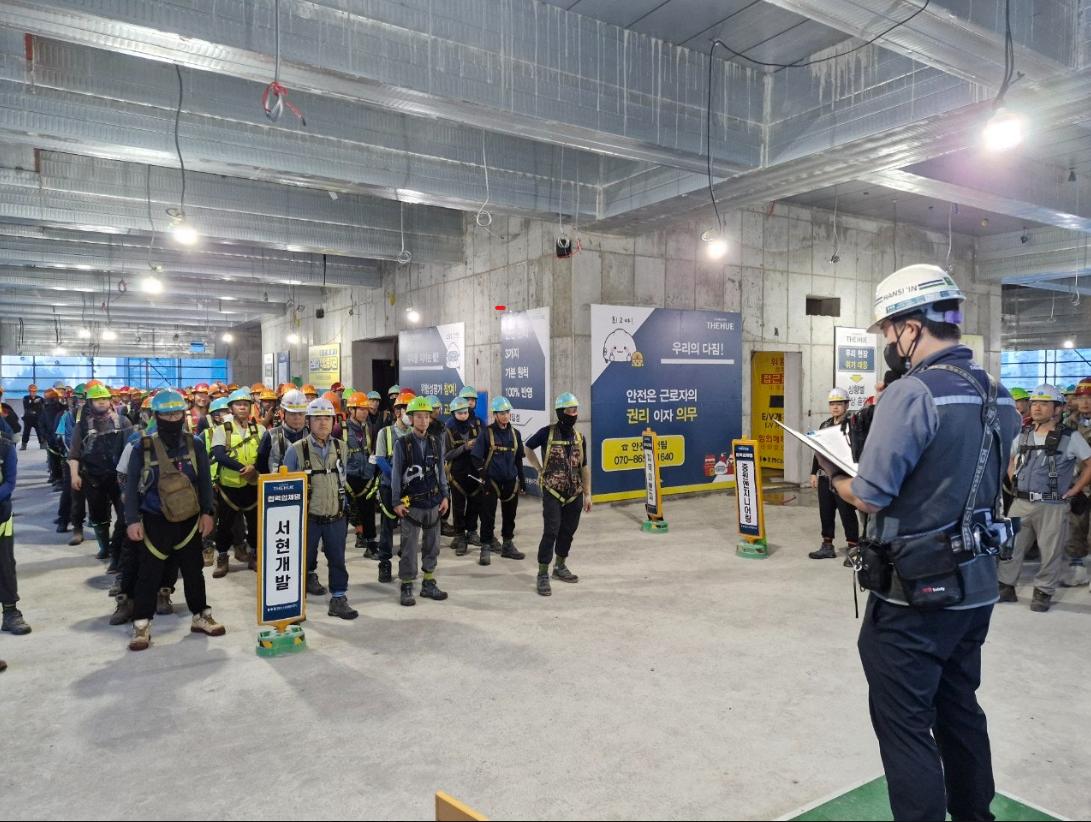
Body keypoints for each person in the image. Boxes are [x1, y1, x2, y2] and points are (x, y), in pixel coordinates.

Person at [821, 264, 1022, 822]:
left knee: (905, 726)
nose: (888, 342)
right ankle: (975, 816)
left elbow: (871, 495)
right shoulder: (1000, 394)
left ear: (911, 327)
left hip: (914, 594)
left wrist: (834, 477)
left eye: (889, 330)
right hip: (977, 586)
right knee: (959, 708)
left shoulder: (913, 392)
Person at [123, 391, 224, 651]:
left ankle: (200, 614)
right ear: (156, 416)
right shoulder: (142, 447)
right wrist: (132, 520)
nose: (172, 419)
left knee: (193, 571)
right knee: (149, 574)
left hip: (189, 520)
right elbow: (131, 487)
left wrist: (208, 512)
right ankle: (142, 624)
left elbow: (204, 481)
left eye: (177, 413)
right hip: (155, 521)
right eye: (167, 415)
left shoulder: (194, 444)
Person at [1000, 384, 1091, 610]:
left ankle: (1043, 591)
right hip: (1021, 502)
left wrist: (1075, 489)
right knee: (1010, 546)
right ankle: (1005, 586)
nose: (1037, 408)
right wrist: (1014, 477)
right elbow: (1010, 458)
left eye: (1044, 403)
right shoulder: (1023, 434)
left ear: (1057, 408)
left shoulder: (1071, 437)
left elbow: (1089, 464)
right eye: (1034, 404)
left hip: (1052, 504)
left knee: (1050, 551)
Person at [283, 398, 358, 620]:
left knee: (337, 560)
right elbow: (285, 487)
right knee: (301, 561)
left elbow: (341, 479)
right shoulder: (296, 450)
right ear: (308, 421)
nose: (323, 423)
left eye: (327, 418)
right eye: (317, 418)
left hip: (336, 516)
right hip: (308, 519)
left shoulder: (341, 447)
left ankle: (338, 599)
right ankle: (293, 604)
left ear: (333, 421)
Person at [524, 393, 592, 596]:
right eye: (570, 410)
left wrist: (587, 493)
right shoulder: (547, 433)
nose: (574, 414)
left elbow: (584, 466)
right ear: (561, 412)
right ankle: (542, 573)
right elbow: (528, 448)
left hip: (574, 493)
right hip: (552, 491)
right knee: (551, 531)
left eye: (576, 410)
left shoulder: (579, 438)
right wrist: (539, 469)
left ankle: (560, 566)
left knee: (568, 531)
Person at [391, 396, 450, 606]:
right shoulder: (402, 444)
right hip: (412, 505)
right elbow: (396, 475)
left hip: (433, 501)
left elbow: (440, 471)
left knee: (432, 544)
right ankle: (407, 583)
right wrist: (396, 501)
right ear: (411, 418)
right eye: (419, 417)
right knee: (408, 546)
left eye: (426, 416)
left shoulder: (436, 442)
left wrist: (445, 496)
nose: (423, 420)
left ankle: (428, 581)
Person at [68, 384, 133, 570]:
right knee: (98, 516)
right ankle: (104, 547)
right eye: (97, 399)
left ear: (110, 400)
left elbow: (133, 452)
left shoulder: (123, 422)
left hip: (119, 478)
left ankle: (120, 553)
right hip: (93, 478)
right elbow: (74, 453)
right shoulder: (82, 425)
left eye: (104, 398)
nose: (102, 402)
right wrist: (74, 475)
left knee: (125, 516)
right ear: (90, 402)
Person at [210, 388, 266, 577]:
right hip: (229, 487)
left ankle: (254, 555)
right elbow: (219, 455)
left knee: (255, 524)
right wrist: (244, 468)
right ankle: (223, 557)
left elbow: (265, 454)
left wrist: (255, 468)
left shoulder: (260, 429)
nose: (242, 407)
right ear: (231, 408)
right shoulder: (221, 430)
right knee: (225, 526)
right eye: (238, 404)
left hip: (253, 486)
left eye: (245, 404)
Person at [471, 397, 526, 565]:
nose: (505, 416)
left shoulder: (515, 434)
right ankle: (486, 546)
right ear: (495, 415)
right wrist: (483, 476)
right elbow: (476, 457)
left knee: (510, 515)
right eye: (501, 413)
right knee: (487, 516)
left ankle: (507, 545)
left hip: (510, 481)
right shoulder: (486, 433)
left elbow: (518, 459)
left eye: (507, 412)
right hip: (492, 481)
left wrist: (522, 480)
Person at [808, 388, 860, 560]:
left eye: (839, 404)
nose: (835, 407)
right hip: (825, 477)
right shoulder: (825, 425)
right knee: (826, 512)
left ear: (847, 405)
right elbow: (819, 451)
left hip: (844, 477)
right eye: (832, 404)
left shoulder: (853, 425)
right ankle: (827, 545)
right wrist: (814, 473)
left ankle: (853, 548)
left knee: (847, 512)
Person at [373, 390, 414, 583]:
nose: (411, 416)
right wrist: (397, 478)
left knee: (409, 528)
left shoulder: (415, 434)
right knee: (387, 528)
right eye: (408, 411)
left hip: (410, 490)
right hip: (389, 487)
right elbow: (380, 459)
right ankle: (384, 563)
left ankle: (406, 562)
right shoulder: (385, 433)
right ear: (398, 411)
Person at [0, 430, 32, 655]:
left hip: (1, 516)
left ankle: (10, 612)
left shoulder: (5, 446)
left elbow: (9, 482)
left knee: (5, 565)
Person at [1062, 378, 1091, 588]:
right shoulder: (1068, 425)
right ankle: (1077, 569)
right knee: (1075, 527)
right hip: (1077, 484)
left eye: (1089, 398)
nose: (1085, 402)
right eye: (1081, 398)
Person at [444, 396, 482, 556]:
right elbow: (447, 455)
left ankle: (472, 531)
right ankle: (459, 535)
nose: (464, 415)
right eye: (460, 413)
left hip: (474, 471)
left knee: (474, 503)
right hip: (457, 474)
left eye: (465, 412)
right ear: (453, 413)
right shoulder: (448, 430)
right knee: (459, 506)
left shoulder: (476, 426)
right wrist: (464, 447)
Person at [343, 392, 379, 558]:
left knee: (369, 512)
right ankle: (335, 548)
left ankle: (371, 545)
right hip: (348, 478)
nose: (365, 412)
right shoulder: (340, 429)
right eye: (361, 409)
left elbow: (372, 451)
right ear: (351, 410)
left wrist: (371, 472)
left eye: (366, 409)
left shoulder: (368, 428)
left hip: (365, 477)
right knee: (344, 514)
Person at [256, 389, 309, 474]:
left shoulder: (311, 436)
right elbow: (260, 467)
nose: (297, 418)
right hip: (276, 482)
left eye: (300, 414)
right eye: (292, 414)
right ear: (283, 413)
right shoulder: (270, 436)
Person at [20, 384, 45, 451]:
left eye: (34, 391)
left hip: (37, 419)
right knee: (26, 432)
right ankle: (24, 445)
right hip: (28, 419)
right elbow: (26, 407)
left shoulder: (40, 398)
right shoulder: (26, 398)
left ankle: (42, 444)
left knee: (40, 432)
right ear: (29, 391)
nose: (33, 392)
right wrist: (34, 402)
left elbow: (44, 405)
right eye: (31, 391)